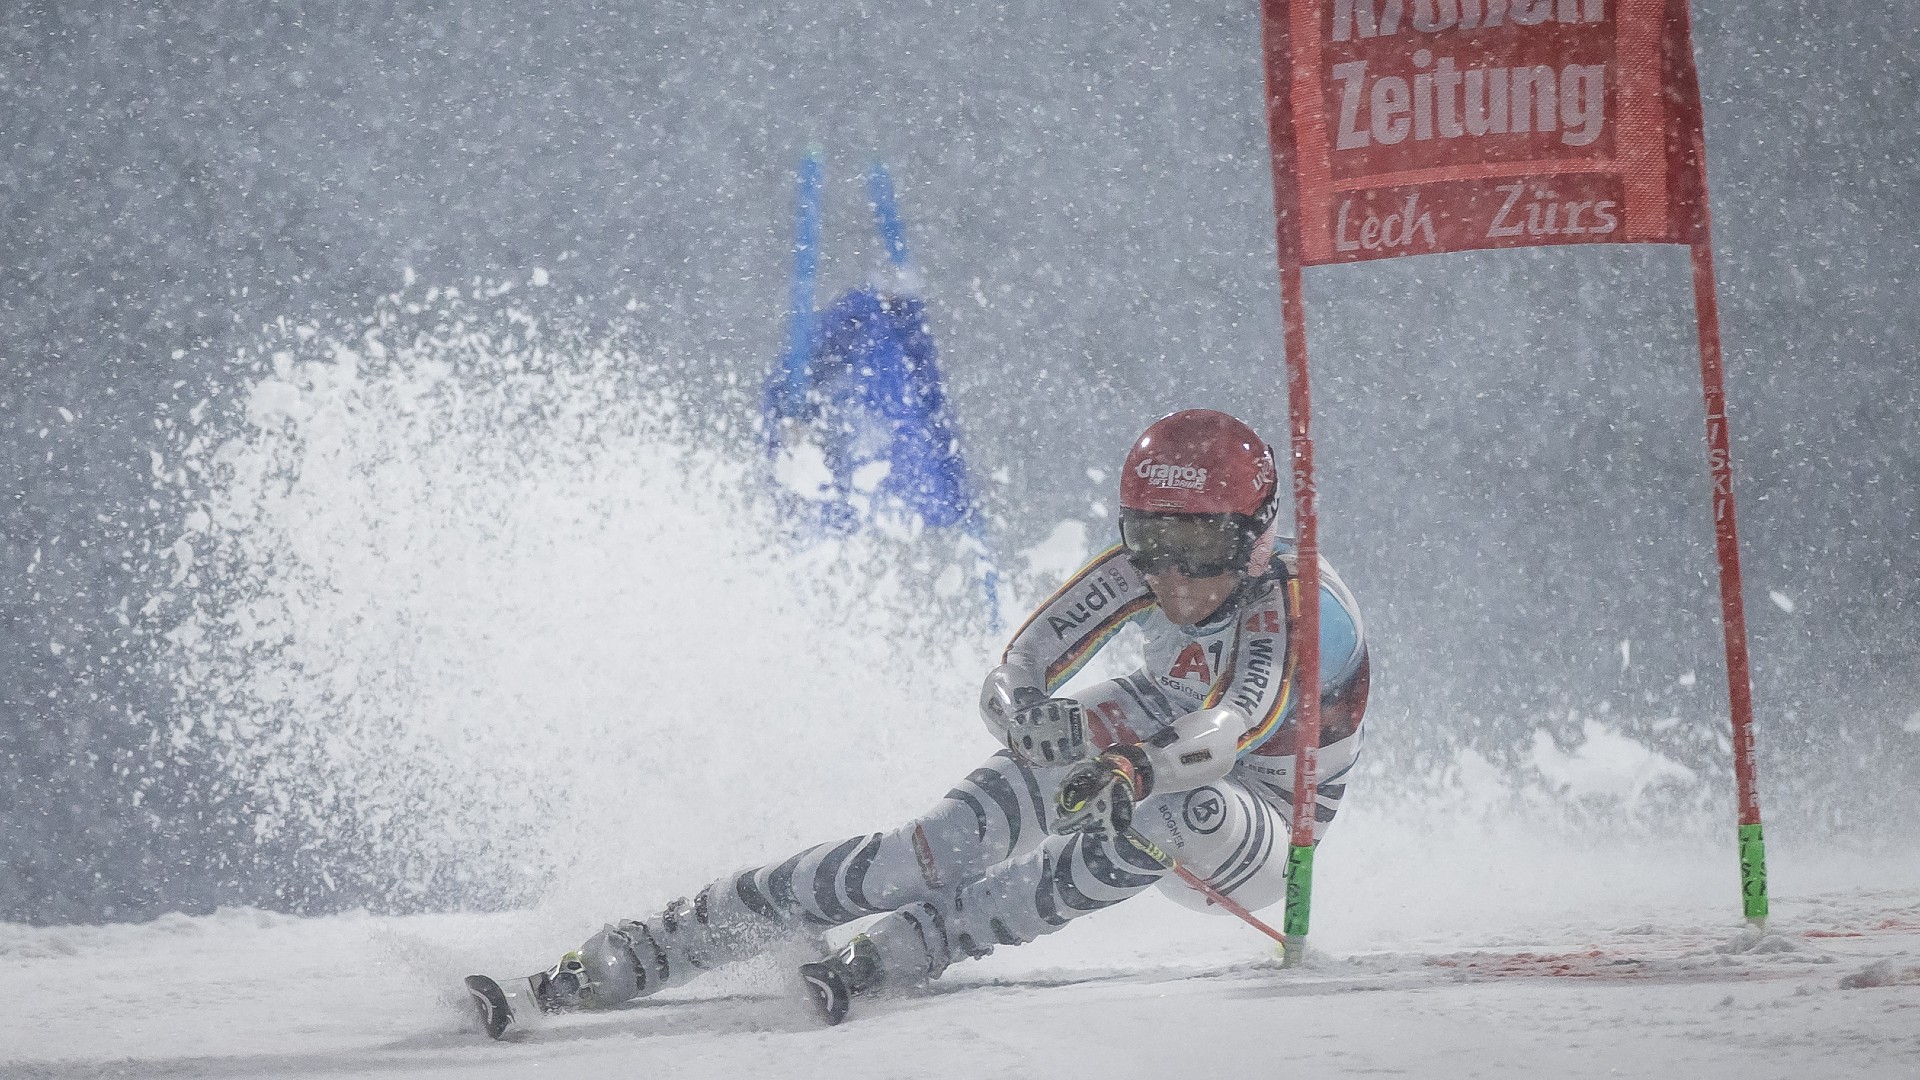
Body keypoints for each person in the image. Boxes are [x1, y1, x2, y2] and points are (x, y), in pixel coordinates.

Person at [481, 409, 1369, 1030]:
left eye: (1200, 551)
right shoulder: (1144, 570)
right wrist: (1029, 719)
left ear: (1253, 536)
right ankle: (651, 945)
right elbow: (1014, 672)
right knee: (932, 847)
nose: (1172, 579)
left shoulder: (1292, 607)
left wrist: (1131, 769)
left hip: (1263, 809)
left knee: (1181, 809)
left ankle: (937, 938)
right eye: (1151, 543)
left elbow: (1233, 727)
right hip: (1157, 725)